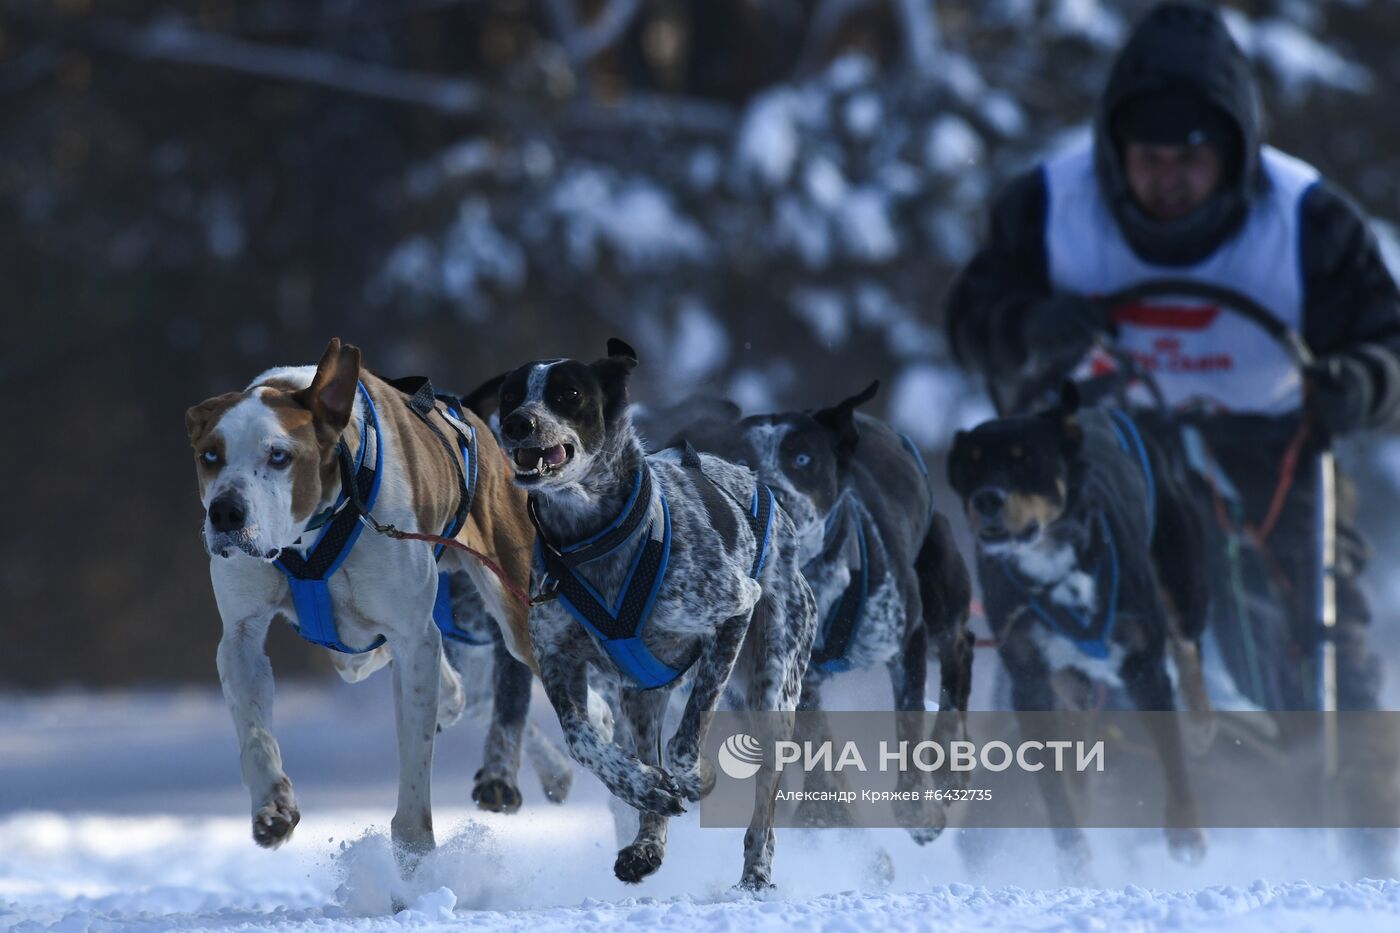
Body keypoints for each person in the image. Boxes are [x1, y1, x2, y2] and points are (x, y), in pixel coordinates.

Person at [944, 0, 1400, 872]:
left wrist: (1357, 385)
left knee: (1326, 609)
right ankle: (1003, 846)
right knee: (1036, 597)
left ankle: (1366, 839)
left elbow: (1390, 346)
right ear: (1117, 153)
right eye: (1150, 158)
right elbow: (971, 319)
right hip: (1101, 450)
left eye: (1192, 157)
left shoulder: (1307, 219)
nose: (1170, 178)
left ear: (1233, 151)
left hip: (1274, 456)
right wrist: (1032, 324)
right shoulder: (1049, 204)